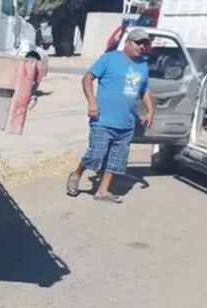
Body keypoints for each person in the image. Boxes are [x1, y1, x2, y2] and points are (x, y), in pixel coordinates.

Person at [66, 28, 154, 203]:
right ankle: (76, 173)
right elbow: (87, 78)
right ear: (127, 42)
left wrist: (150, 110)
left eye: (144, 43)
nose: (141, 47)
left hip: (126, 123)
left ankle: (102, 191)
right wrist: (92, 102)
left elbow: (144, 90)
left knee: (117, 159)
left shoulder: (142, 65)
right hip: (103, 119)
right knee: (96, 154)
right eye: (138, 42)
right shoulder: (109, 58)